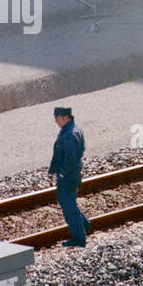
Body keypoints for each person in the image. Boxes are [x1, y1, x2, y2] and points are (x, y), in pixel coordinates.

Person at [49, 106, 91, 248]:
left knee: (68, 206)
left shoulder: (69, 135)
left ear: (66, 117)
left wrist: (62, 173)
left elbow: (70, 159)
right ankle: (84, 225)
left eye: (58, 118)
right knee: (70, 203)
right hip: (73, 174)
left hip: (68, 176)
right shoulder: (73, 129)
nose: (56, 121)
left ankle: (79, 238)